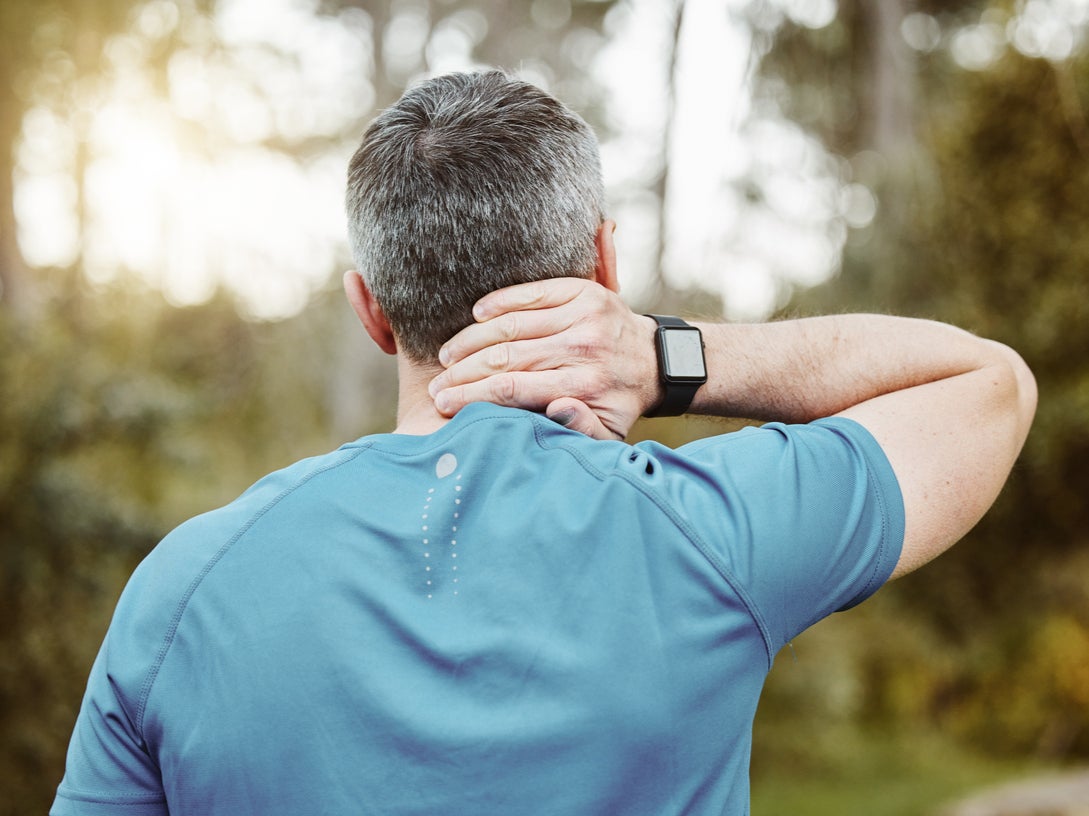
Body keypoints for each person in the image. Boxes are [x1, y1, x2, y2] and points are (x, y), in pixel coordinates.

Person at [51, 70, 1036, 816]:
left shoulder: (180, 595)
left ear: (370, 309)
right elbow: (988, 387)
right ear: (603, 263)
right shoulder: (702, 532)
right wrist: (670, 357)